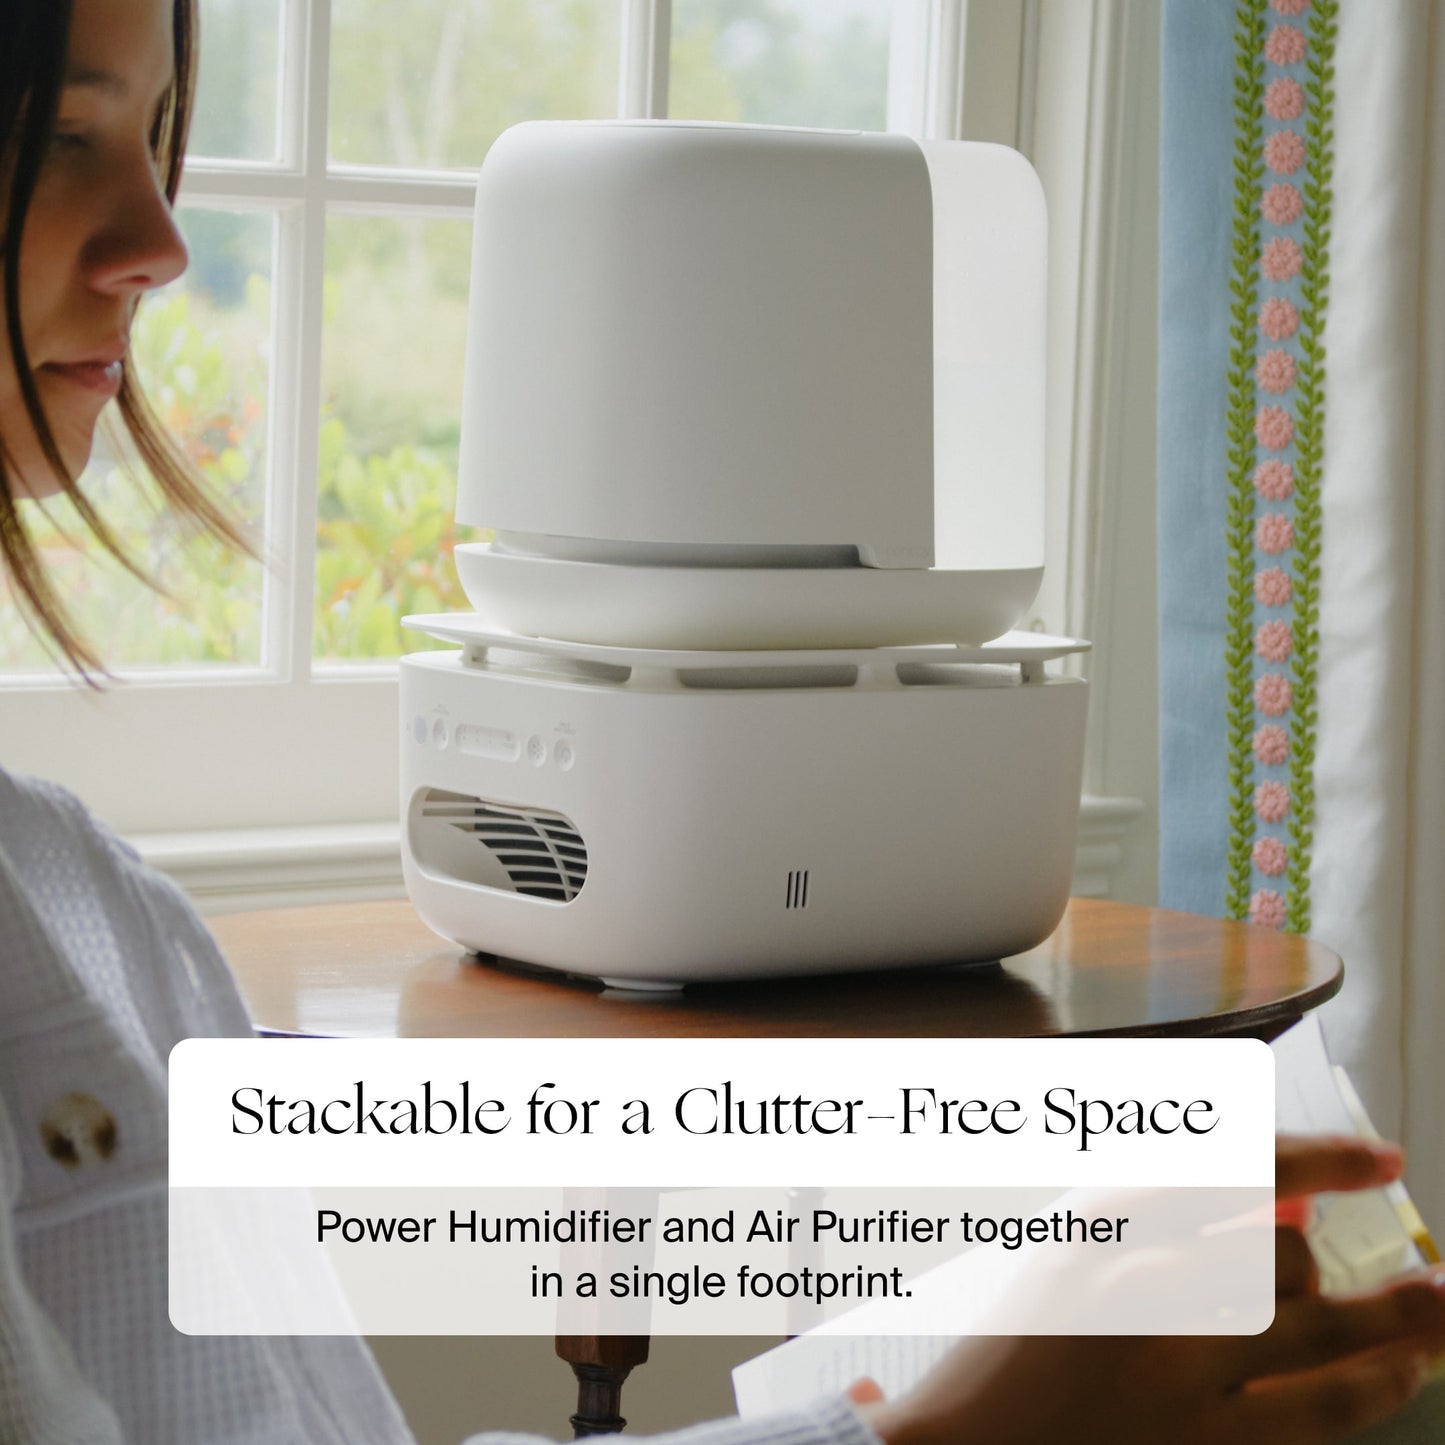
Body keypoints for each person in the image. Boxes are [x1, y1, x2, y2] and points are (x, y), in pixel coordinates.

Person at [1, 0, 1443, 1441]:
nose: (161, 243)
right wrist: (948, 1429)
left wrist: (915, 1407)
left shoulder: (92, 897)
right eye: (65, 136)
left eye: (157, 134)